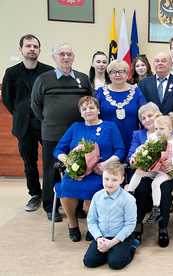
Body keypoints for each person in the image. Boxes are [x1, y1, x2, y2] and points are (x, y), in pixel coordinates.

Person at [31, 43, 93, 222]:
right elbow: (36, 105)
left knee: (82, 168)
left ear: (73, 57)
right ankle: (51, 205)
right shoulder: (43, 79)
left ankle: (79, 206)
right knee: (53, 170)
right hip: (52, 133)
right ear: (54, 57)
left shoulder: (82, 78)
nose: (66, 57)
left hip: (79, 134)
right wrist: (50, 119)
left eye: (69, 54)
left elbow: (89, 101)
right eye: (61, 54)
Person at [55, 96, 125, 241]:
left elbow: (120, 150)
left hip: (100, 172)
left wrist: (106, 164)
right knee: (66, 187)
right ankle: (72, 224)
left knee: (92, 195)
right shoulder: (75, 127)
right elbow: (58, 150)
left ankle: (92, 225)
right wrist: (68, 160)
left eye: (92, 107)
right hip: (77, 172)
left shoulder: (110, 126)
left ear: (98, 110)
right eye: (84, 109)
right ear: (81, 113)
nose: (88, 111)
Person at [1, 34, 53, 212]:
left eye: (35, 46)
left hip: (45, 123)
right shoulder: (11, 72)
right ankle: (35, 195)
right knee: (29, 161)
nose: (32, 49)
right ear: (21, 49)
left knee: (50, 160)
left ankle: (50, 195)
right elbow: (8, 99)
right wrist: (21, 113)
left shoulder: (48, 71)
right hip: (23, 126)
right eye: (28, 46)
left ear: (39, 50)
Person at [127, 104, 173, 247]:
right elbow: (131, 155)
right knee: (141, 188)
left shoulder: (172, 134)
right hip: (146, 173)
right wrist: (136, 161)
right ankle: (137, 225)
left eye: (150, 115)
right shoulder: (137, 135)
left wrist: (172, 163)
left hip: (165, 173)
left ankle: (163, 228)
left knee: (163, 189)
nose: (147, 120)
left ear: (158, 116)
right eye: (143, 118)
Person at [125, 113, 173, 224]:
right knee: (139, 172)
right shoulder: (154, 138)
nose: (158, 131)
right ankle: (129, 194)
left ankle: (156, 209)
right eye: (156, 128)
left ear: (171, 129)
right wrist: (136, 157)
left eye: (161, 128)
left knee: (156, 183)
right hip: (154, 168)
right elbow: (143, 148)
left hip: (167, 171)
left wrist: (172, 161)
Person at [83, 160, 137, 270]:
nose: (109, 183)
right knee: (89, 261)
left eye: (114, 180)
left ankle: (130, 247)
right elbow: (92, 221)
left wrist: (112, 243)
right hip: (102, 236)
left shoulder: (128, 199)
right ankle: (111, 251)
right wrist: (99, 239)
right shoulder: (97, 196)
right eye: (106, 179)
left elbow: (130, 225)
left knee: (115, 263)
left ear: (121, 180)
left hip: (121, 236)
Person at [96, 60, 146, 149]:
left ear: (127, 74)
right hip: (106, 140)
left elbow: (144, 116)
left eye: (122, 71)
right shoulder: (100, 92)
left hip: (132, 141)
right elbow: (95, 117)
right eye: (114, 72)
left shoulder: (137, 92)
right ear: (109, 74)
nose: (117, 75)